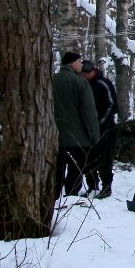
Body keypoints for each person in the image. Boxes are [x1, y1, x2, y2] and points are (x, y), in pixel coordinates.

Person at [52, 51, 100, 197]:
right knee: (75, 171)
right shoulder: (80, 83)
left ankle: (54, 197)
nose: (81, 65)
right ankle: (71, 197)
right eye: (79, 61)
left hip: (54, 136)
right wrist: (94, 135)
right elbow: (88, 112)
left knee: (56, 171)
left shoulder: (51, 80)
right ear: (72, 63)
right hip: (78, 138)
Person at [81, 59, 118, 198]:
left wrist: (100, 123)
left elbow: (112, 105)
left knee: (105, 159)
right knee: (88, 159)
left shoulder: (103, 84)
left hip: (105, 129)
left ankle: (106, 187)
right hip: (88, 129)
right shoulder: (83, 84)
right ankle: (92, 186)